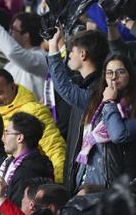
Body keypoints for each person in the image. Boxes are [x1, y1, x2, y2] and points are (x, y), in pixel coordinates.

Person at [48, 27, 136, 190]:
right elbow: (65, 89)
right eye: (109, 73)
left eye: (120, 72)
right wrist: (53, 48)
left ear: (130, 75)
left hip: (118, 187)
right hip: (87, 180)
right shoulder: (97, 99)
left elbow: (119, 134)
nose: (114, 77)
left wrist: (110, 103)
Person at [45, 29, 108, 193]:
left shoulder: (98, 90)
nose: (69, 56)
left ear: (83, 54)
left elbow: (63, 87)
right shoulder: (87, 83)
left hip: (92, 176)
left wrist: (53, 48)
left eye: (71, 52)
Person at [0, 1, 49, 101]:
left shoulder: (42, 58)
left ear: (26, 36)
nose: (10, 34)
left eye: (13, 30)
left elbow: (11, 51)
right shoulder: (9, 66)